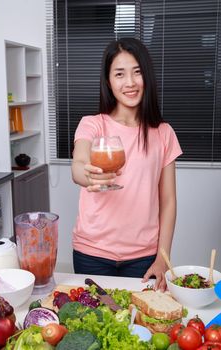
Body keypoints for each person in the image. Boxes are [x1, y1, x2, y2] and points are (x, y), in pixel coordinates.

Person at [71, 37, 182, 290]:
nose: (130, 83)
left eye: (137, 72)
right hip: (92, 252)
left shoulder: (163, 133)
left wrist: (162, 259)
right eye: (119, 74)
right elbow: (78, 164)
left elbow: (168, 202)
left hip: (143, 256)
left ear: (147, 77)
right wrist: (87, 175)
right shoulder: (93, 124)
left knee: (141, 326)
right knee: (94, 327)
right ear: (109, 82)